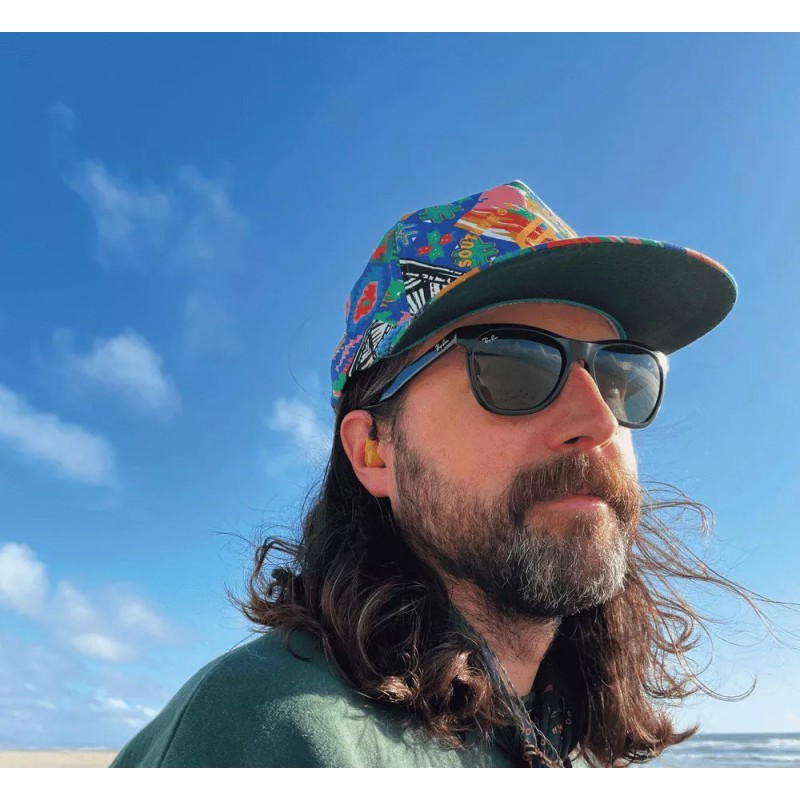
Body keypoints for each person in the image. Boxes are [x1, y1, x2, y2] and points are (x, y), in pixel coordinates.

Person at [111, 179, 743, 768]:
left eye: (621, 375)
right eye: (514, 367)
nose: (598, 420)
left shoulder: (563, 742)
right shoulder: (278, 735)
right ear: (374, 450)